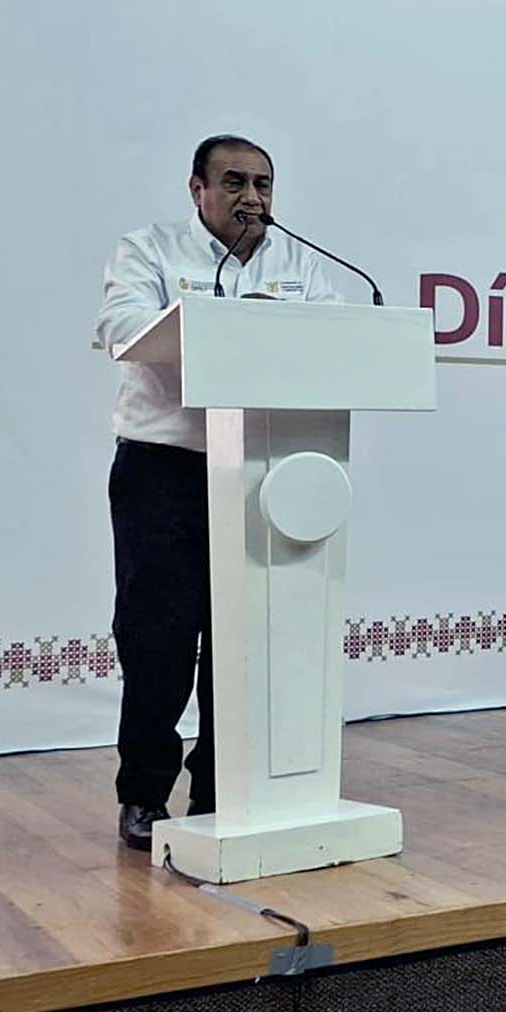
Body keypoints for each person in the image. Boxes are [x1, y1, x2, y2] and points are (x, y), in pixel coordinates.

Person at [95, 135, 343, 852]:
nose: (251, 197)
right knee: (159, 640)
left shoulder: (298, 261)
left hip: (259, 472)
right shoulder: (149, 249)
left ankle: (220, 791)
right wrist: (220, 324)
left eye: (263, 184)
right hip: (163, 469)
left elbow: (336, 337)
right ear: (197, 189)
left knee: (244, 641)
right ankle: (144, 794)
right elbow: (122, 328)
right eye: (234, 181)